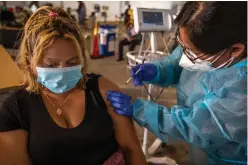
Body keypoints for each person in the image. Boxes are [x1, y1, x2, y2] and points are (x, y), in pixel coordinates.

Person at [0, 6, 146, 165]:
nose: (62, 70)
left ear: (82, 58)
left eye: (72, 62)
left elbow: (132, 150)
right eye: (51, 65)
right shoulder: (15, 109)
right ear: (30, 62)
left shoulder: (102, 90)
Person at [107, 2, 247, 165]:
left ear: (236, 50)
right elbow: (179, 62)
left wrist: (140, 110)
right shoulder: (206, 43)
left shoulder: (242, 90)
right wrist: (158, 70)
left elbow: (196, 127)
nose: (187, 56)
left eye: (195, 54)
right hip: (201, 150)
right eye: (183, 47)